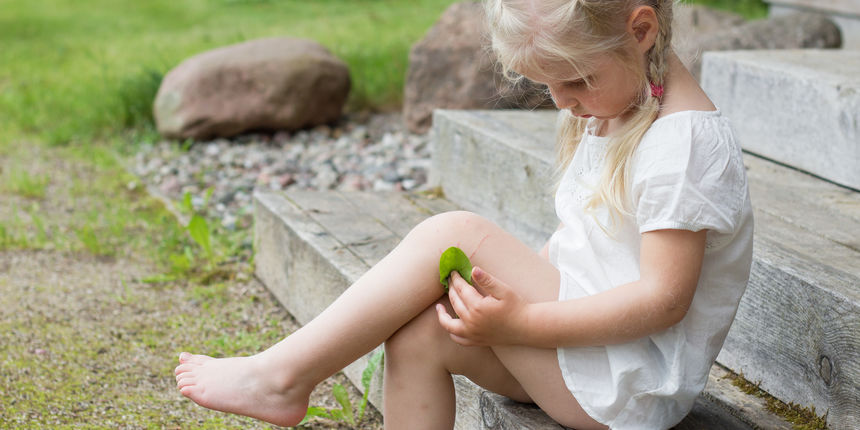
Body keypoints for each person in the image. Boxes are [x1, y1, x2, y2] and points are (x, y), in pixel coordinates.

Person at [174, 0, 753, 428]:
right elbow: (593, 243)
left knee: (456, 233)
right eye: (547, 85)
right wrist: (517, 293)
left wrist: (519, 323)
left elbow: (662, 300)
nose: (562, 101)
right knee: (421, 335)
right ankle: (282, 377)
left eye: (576, 80)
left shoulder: (684, 146)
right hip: (586, 351)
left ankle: (281, 376)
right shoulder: (619, 106)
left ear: (643, 30)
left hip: (629, 384)